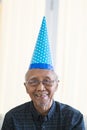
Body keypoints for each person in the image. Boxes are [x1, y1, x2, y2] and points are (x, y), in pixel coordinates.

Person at [1, 16, 85, 130]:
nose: (40, 88)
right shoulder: (12, 118)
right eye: (33, 81)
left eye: (47, 81)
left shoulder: (73, 118)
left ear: (56, 85)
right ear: (26, 87)